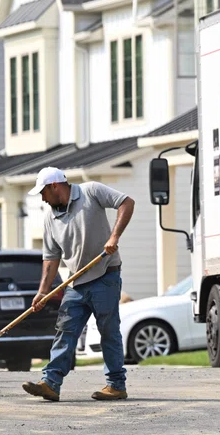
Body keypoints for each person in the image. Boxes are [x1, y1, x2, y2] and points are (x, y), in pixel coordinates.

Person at [20, 167, 135, 402]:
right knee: (65, 331)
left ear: (54, 186)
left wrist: (114, 237)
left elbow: (126, 202)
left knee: (108, 332)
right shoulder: (51, 219)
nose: (42, 198)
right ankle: (50, 383)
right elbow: (51, 259)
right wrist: (43, 292)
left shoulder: (91, 191)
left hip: (105, 275)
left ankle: (116, 385)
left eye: (43, 192)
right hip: (75, 282)